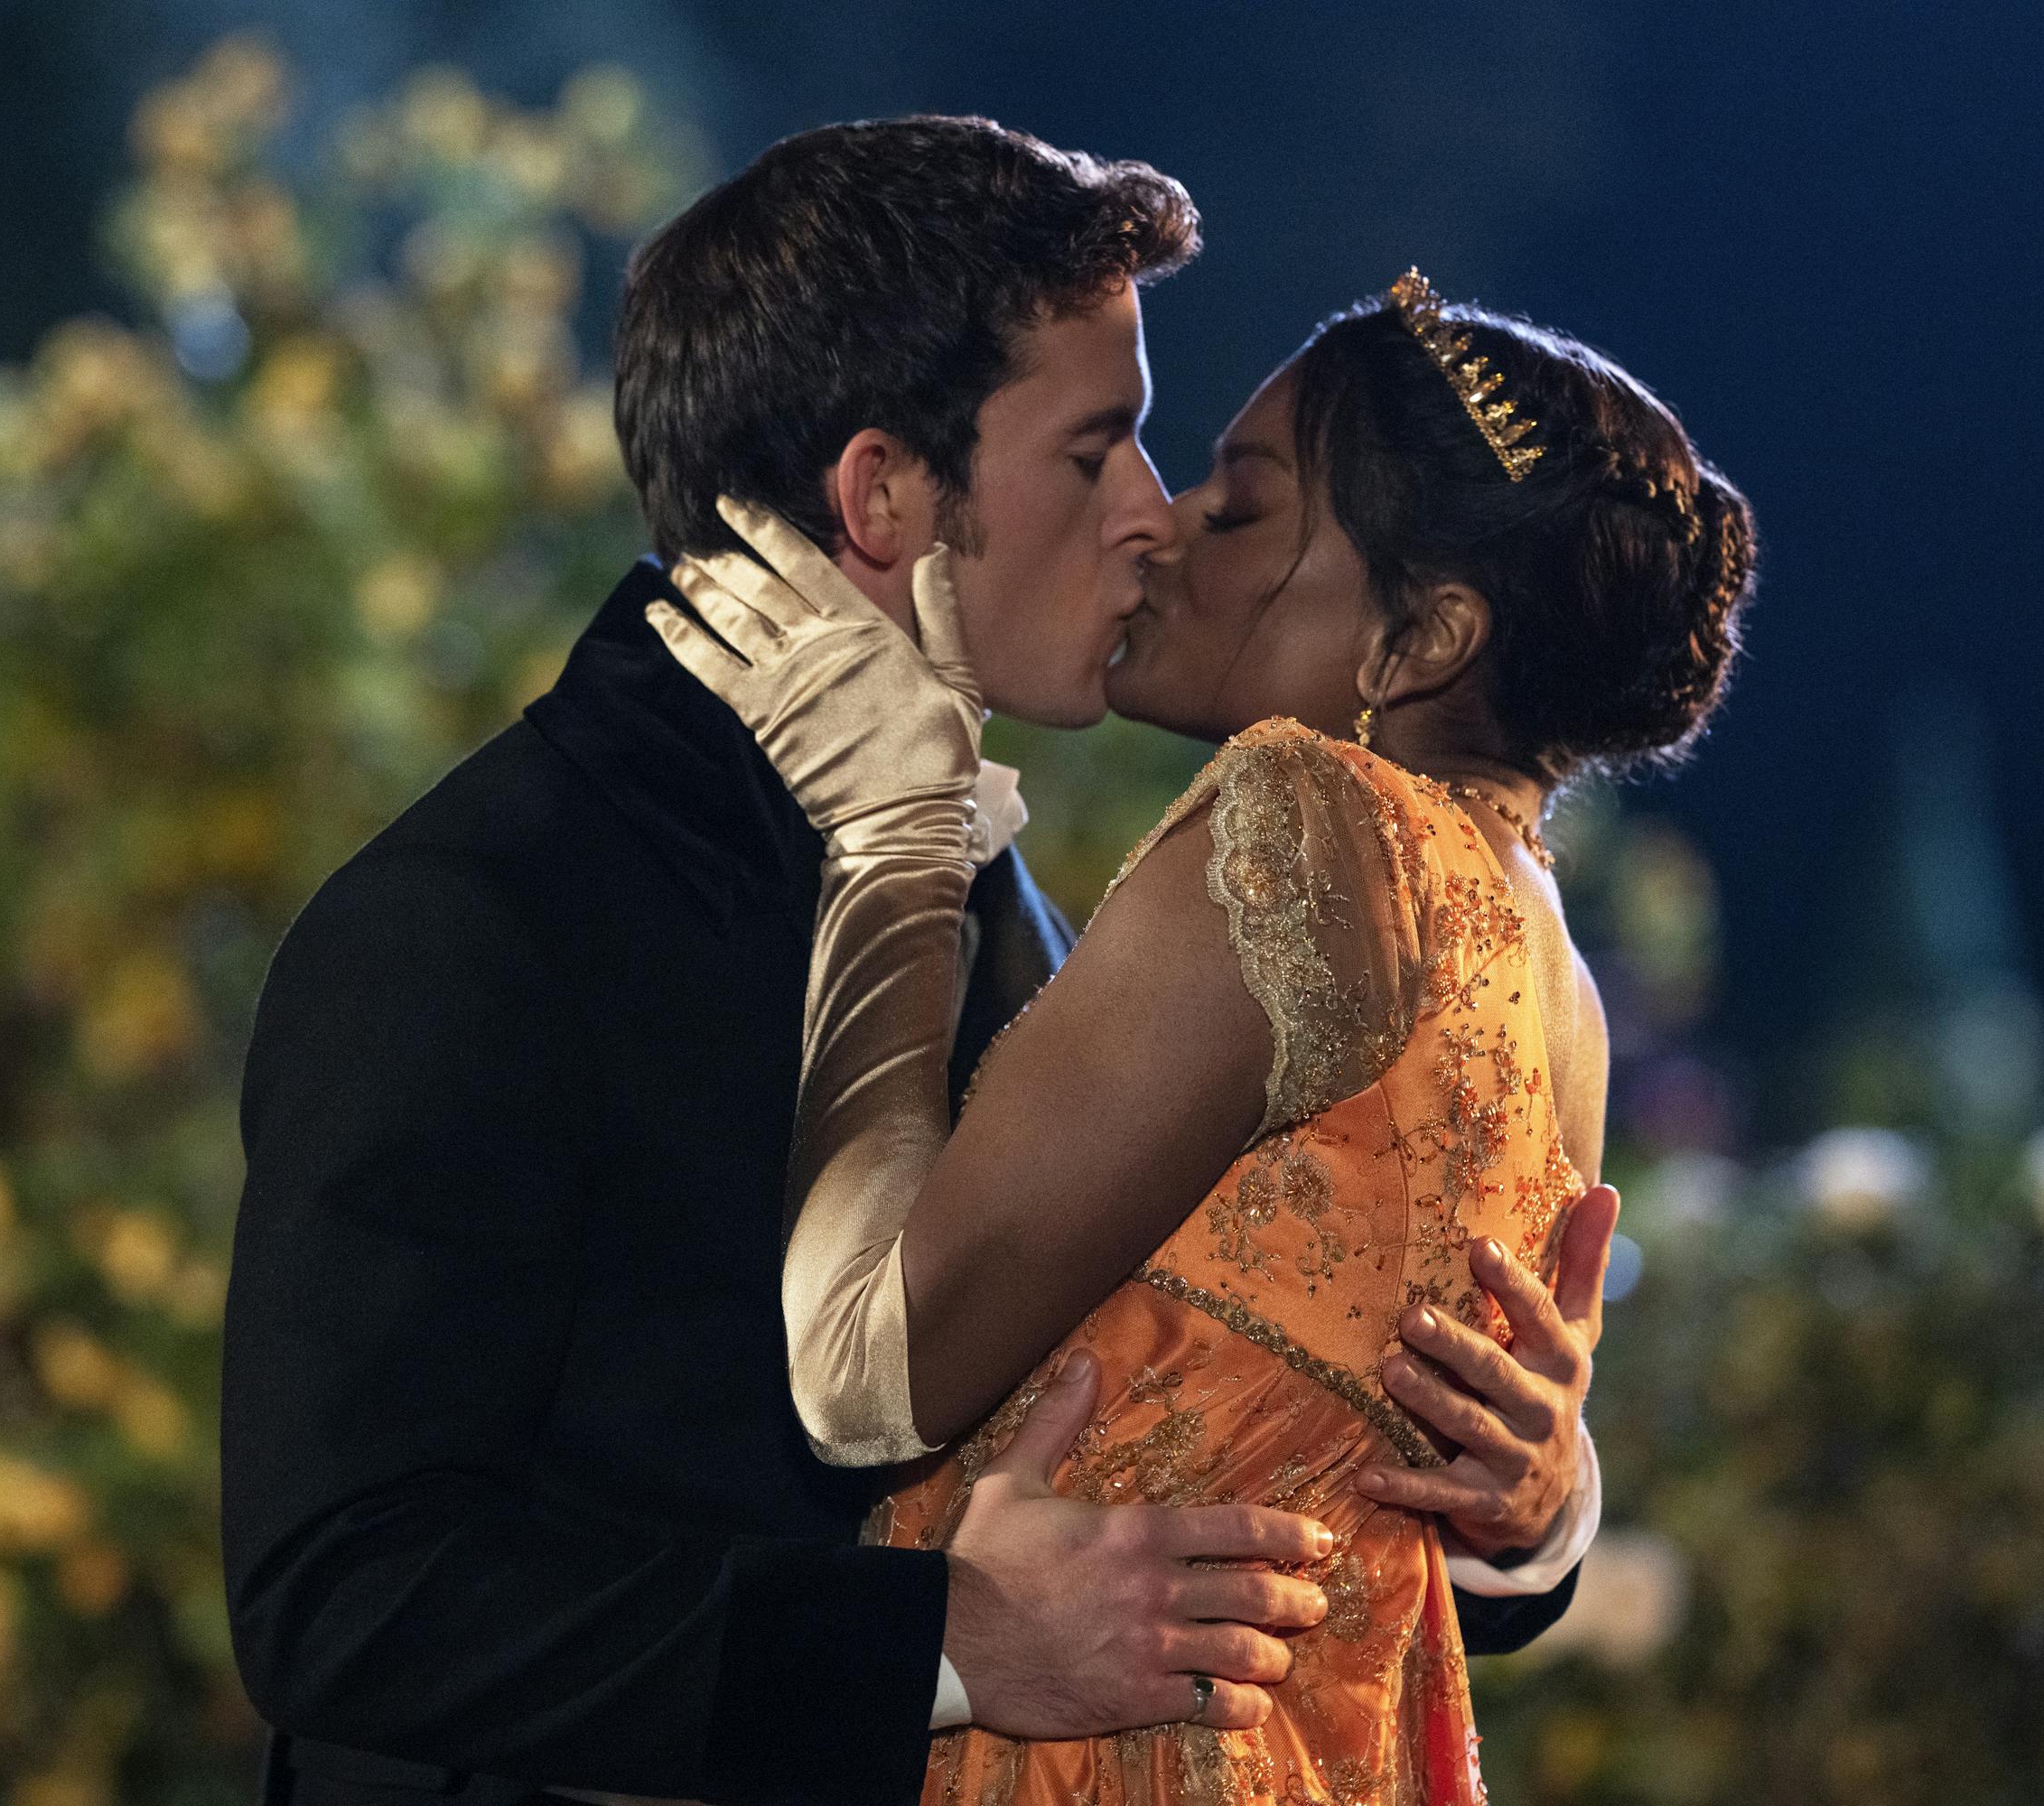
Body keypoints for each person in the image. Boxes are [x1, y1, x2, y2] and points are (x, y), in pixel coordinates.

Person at [220, 116, 1591, 1806]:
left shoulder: (979, 873)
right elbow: (341, 1598)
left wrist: (1521, 1508)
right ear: (882, 495)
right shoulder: (478, 916)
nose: (1154, 522)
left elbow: (1187, 1430)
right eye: (1098, 453)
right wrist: (939, 1644)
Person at [655, 266, 1753, 1801]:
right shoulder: (1549, 974)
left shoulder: (1312, 820)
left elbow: (864, 1376)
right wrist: (1543, 1509)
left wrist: (891, 827)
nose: (1163, 528)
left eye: (1240, 513)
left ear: (1418, 640)